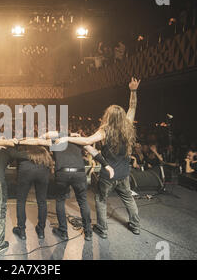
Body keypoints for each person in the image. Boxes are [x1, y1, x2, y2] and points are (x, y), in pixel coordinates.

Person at [57, 77, 141, 239]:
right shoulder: (128, 126)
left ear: (108, 116)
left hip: (108, 174)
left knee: (101, 199)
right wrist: (133, 91)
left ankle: (102, 230)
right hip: (124, 173)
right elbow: (132, 107)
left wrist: (67, 138)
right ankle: (136, 226)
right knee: (129, 199)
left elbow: (87, 141)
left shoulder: (105, 130)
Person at [12, 138, 53, 240]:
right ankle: (41, 231)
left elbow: (12, 154)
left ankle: (21, 231)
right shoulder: (44, 152)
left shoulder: (24, 152)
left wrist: (15, 142)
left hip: (26, 171)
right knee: (42, 202)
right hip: (43, 171)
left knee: (21, 201)